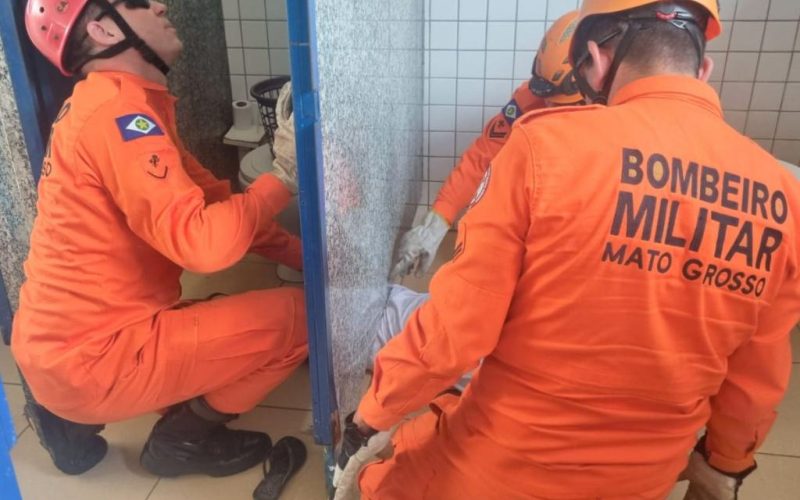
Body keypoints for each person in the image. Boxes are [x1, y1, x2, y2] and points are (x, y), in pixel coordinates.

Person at [335, 1, 800, 499]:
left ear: (596, 60)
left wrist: (370, 417)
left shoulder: (543, 149)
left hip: (507, 464)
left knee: (379, 479)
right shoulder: (783, 196)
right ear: (703, 69)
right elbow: (756, 378)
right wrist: (725, 465)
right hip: (642, 481)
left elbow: (456, 328)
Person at [13, 0, 307, 480]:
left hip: (58, 347)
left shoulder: (122, 105)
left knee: (224, 312)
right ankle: (181, 441)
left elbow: (215, 203)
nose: (160, 5)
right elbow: (207, 247)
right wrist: (283, 175)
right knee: (302, 318)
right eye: (137, 2)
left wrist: (309, 259)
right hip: (95, 359)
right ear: (105, 30)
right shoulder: (119, 116)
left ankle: (74, 416)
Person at [392, 10, 585, 278]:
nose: (548, 106)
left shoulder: (616, 117)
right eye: (546, 96)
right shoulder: (529, 100)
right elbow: (482, 159)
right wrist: (436, 223)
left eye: (558, 101)